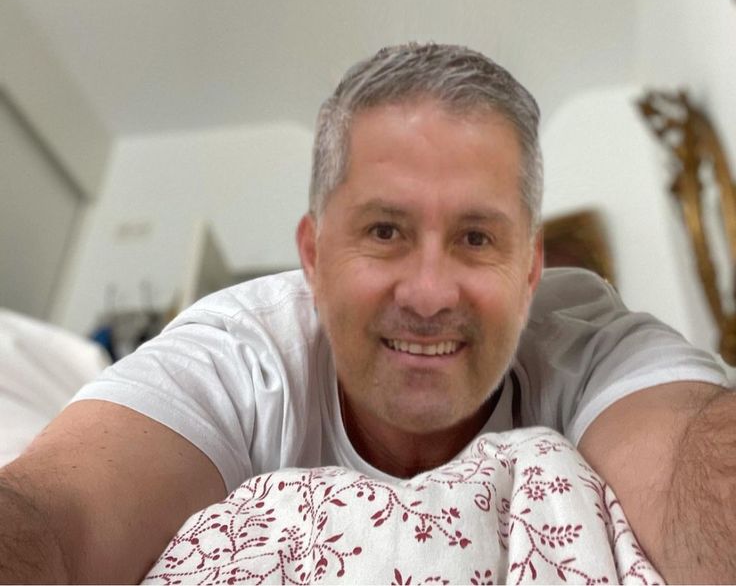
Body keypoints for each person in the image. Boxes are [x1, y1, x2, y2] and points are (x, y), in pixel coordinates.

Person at [0, 42, 733, 585]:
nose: (429, 293)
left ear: (533, 271)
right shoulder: (237, 350)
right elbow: (58, 520)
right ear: (313, 260)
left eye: (477, 238)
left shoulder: (593, 342)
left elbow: (694, 483)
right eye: (386, 232)